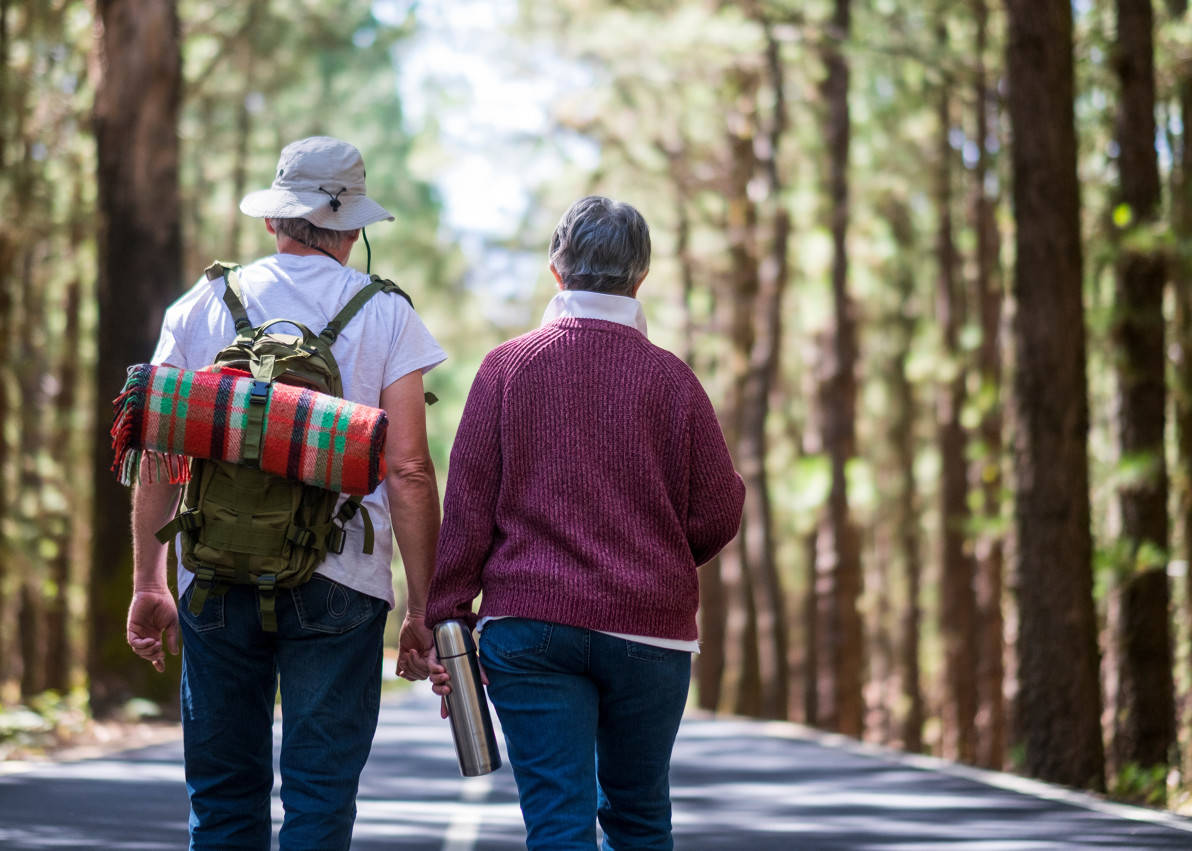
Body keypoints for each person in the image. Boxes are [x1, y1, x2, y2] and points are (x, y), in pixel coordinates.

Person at [125, 136, 445, 850]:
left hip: (212, 575)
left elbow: (158, 447)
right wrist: (424, 606)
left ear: (274, 220)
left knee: (222, 795)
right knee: (319, 796)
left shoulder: (204, 303)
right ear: (354, 226)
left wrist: (150, 579)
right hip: (340, 581)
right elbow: (411, 471)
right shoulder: (387, 313)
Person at [425, 196, 744, 850]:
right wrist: (657, 559)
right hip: (651, 634)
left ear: (555, 270)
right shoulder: (674, 380)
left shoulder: (507, 367)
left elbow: (467, 506)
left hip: (531, 628)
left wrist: (446, 616)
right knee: (639, 819)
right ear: (641, 277)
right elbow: (720, 509)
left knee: (559, 822)